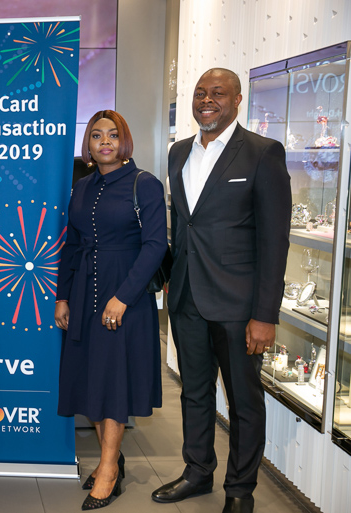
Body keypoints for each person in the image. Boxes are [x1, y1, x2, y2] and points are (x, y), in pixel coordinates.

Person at [151, 68, 290, 513]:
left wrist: (265, 315)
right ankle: (197, 472)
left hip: (239, 305)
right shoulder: (178, 153)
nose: (206, 100)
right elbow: (182, 223)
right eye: (200, 93)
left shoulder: (262, 153)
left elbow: (274, 241)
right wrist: (170, 275)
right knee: (194, 392)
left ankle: (240, 490)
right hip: (187, 297)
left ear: (237, 100)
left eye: (218, 93)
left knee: (243, 401)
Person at [55, 110, 166, 510]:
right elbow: (72, 244)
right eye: (97, 135)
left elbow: (155, 245)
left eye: (113, 135)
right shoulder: (82, 186)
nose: (105, 141)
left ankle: (107, 470)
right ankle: (111, 458)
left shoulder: (144, 184)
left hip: (124, 294)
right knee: (89, 378)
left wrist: (123, 297)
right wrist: (62, 296)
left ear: (124, 141)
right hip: (84, 290)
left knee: (114, 381)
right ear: (88, 144)